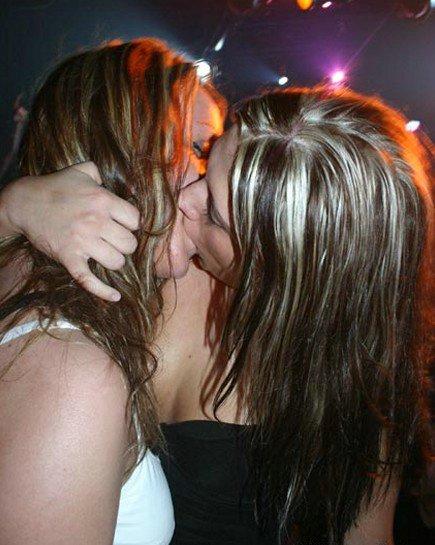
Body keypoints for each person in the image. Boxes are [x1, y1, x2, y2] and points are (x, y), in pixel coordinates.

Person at [1, 83, 433, 544]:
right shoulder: (161, 262)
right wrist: (12, 210)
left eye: (215, 215)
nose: (185, 197)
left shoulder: (363, 384)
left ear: (282, 270)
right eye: (208, 160)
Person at [0, 37, 225, 545]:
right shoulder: (72, 371)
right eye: (193, 148)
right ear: (116, 146)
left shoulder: (25, 268)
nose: (207, 185)